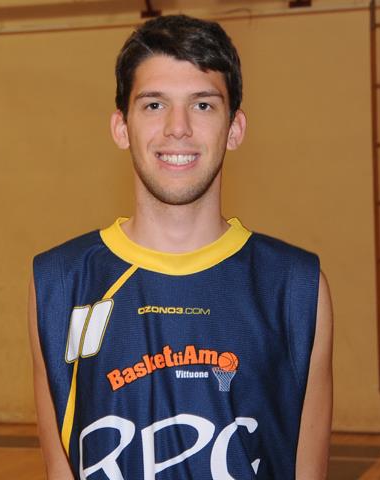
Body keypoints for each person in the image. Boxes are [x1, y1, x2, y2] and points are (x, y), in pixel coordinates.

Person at [28, 14, 333, 480]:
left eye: (203, 105)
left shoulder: (295, 288)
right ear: (121, 127)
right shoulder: (59, 283)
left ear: (234, 128)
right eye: (154, 105)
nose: (178, 128)